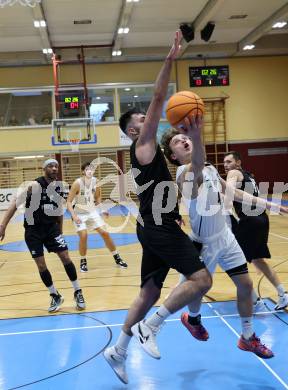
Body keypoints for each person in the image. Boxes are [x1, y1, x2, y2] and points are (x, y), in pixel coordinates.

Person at [103, 31, 212, 385]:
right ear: (134, 131)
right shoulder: (143, 144)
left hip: (153, 224)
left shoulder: (146, 153)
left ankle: (117, 349)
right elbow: (159, 95)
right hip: (158, 228)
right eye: (140, 122)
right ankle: (151, 326)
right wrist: (170, 59)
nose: (147, 121)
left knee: (149, 291)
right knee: (201, 279)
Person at [162, 128, 288, 358]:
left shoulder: (209, 168)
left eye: (186, 138)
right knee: (194, 290)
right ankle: (175, 321)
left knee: (246, 285)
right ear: (173, 156)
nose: (184, 141)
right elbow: (197, 165)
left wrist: (268, 204)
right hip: (204, 241)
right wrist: (196, 134)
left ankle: (247, 337)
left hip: (224, 236)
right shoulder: (183, 172)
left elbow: (233, 192)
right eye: (178, 142)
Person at [0, 159, 86, 313]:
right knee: (41, 264)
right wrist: (3, 225)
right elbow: (14, 204)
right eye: (50, 166)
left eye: (56, 166)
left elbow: (59, 210)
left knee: (65, 257)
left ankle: (78, 291)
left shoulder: (59, 188)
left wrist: (60, 230)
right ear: (44, 169)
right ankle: (54, 295)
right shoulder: (33, 186)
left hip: (51, 229)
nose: (54, 168)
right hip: (33, 231)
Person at [223, 151, 288, 311]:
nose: (226, 165)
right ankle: (283, 294)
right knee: (258, 260)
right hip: (261, 219)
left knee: (231, 260)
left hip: (248, 220)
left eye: (229, 162)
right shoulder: (249, 176)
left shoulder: (234, 173)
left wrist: (224, 211)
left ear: (238, 163)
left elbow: (230, 193)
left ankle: (254, 300)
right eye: (224, 163)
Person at [66, 162, 128, 272]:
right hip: (79, 214)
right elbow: (69, 202)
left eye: (91, 169)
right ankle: (83, 260)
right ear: (83, 171)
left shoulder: (96, 182)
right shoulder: (77, 183)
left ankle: (117, 257)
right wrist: (74, 216)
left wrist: (103, 209)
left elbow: (98, 197)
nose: (89, 171)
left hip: (92, 212)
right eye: (87, 169)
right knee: (84, 235)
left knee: (105, 233)